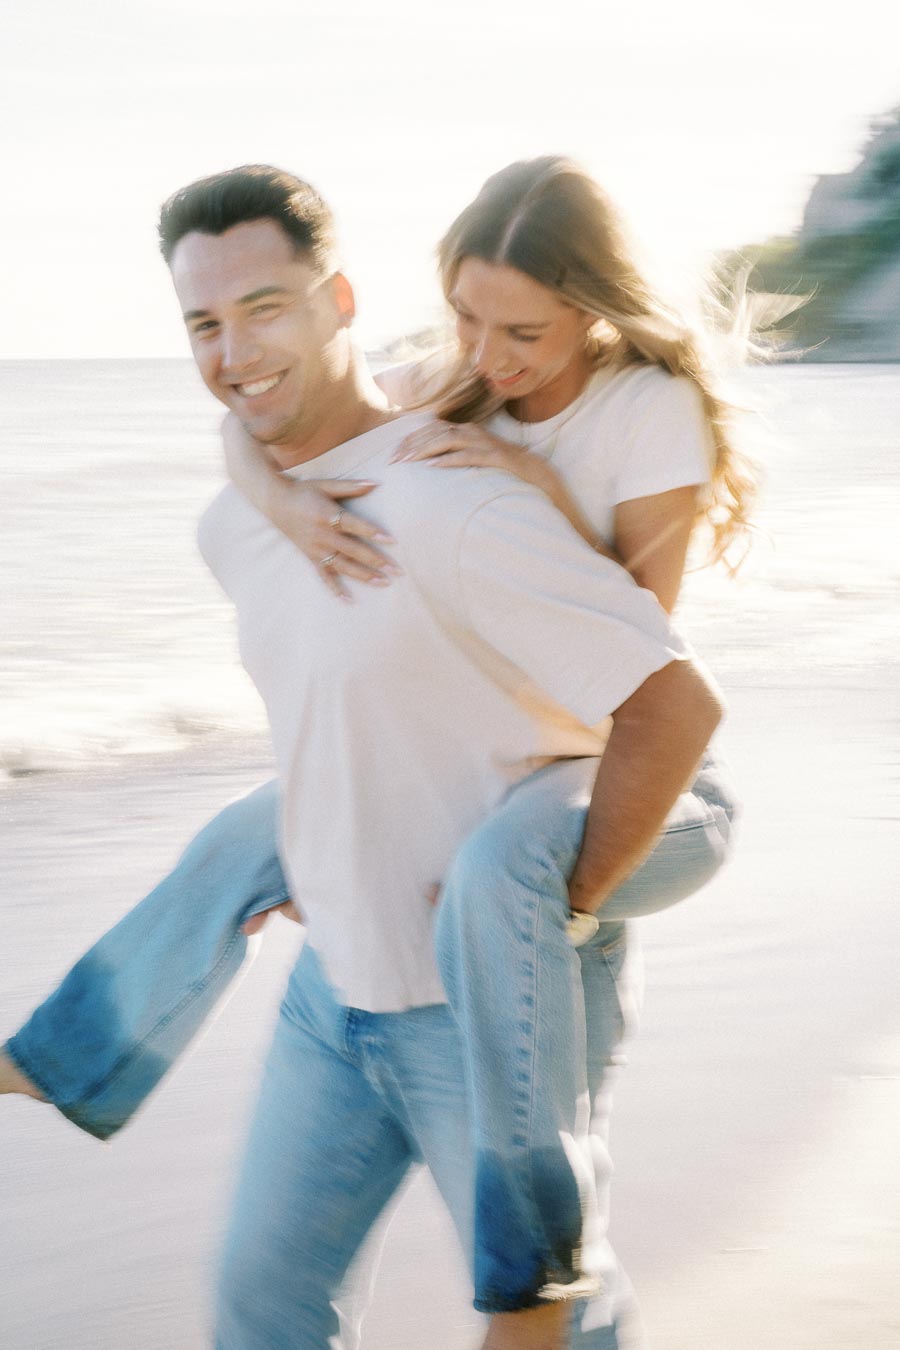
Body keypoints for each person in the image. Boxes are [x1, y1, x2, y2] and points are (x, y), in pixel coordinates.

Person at [2, 161, 740, 1348]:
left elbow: (651, 688)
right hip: (339, 988)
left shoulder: (557, 457)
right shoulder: (316, 480)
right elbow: (261, 420)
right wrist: (286, 504)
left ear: (337, 302)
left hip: (524, 917)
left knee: (554, 1313)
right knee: (262, 1305)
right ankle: (68, 1051)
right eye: (205, 322)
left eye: (266, 309)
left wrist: (562, 900)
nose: (493, 357)